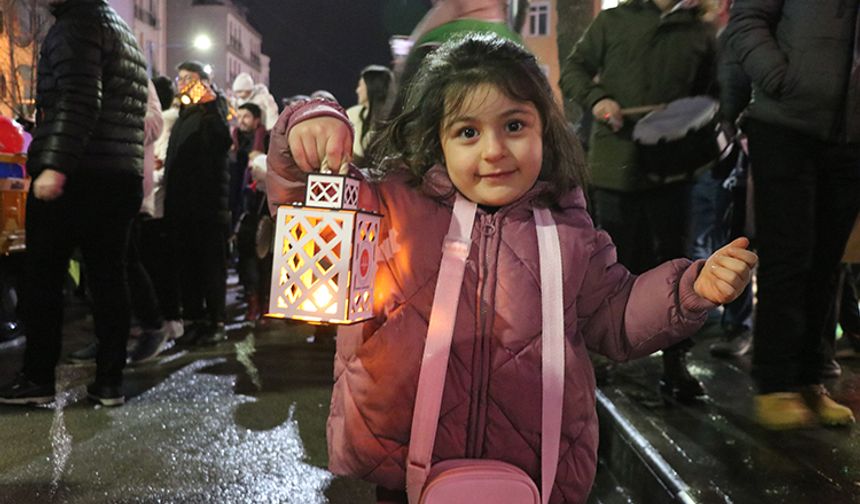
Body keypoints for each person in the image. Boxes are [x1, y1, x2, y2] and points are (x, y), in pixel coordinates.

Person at [266, 34, 755, 502]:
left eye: (514, 126)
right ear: (438, 140)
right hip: (404, 458)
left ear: (546, 128)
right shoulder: (392, 204)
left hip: (532, 469)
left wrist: (690, 289)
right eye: (468, 132)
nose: (494, 150)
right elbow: (305, 201)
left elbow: (615, 314)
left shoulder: (569, 228)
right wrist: (309, 124)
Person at [560, 0, 719, 402]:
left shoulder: (700, 32)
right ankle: (600, 355)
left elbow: (710, 96)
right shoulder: (613, 21)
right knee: (610, 264)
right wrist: (598, 100)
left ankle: (675, 362)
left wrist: (691, 121)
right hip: (616, 167)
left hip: (672, 169)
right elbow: (572, 72)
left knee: (678, 265)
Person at [0, 0, 149, 406]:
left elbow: (81, 99)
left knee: (43, 278)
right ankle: (109, 382)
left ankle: (37, 377)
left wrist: (55, 165)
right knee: (108, 278)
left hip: (80, 174)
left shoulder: (76, 26)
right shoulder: (117, 28)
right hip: (119, 174)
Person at [723, 0, 860, 430]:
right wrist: (780, 78)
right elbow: (745, 20)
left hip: (852, 136)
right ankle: (775, 382)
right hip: (785, 125)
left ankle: (809, 380)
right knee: (789, 254)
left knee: (829, 260)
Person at [164, 61, 232, 346]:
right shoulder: (183, 115)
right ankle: (194, 319)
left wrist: (210, 103)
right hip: (182, 205)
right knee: (188, 266)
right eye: (179, 78)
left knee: (211, 266)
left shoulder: (213, 111)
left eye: (188, 78)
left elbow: (222, 141)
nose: (182, 84)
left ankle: (215, 321)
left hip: (208, 205)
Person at [230, 102, 269, 321]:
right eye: (240, 115)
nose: (241, 120)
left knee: (261, 257)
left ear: (256, 120)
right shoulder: (233, 143)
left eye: (246, 116)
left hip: (261, 205)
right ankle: (252, 300)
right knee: (246, 256)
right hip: (240, 205)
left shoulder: (266, 139)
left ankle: (262, 302)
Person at [345, 65, 394, 160]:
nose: (357, 90)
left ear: (372, 87)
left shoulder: (392, 121)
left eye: (360, 85)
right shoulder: (353, 115)